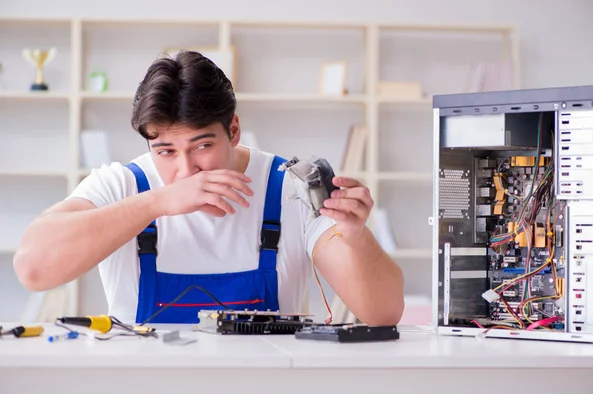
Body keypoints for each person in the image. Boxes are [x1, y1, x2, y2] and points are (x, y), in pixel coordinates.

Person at [13, 51, 405, 326]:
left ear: (233, 130)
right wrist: (158, 202)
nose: (186, 170)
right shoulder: (123, 184)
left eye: (202, 146)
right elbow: (32, 268)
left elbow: (383, 313)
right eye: (165, 151)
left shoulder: (290, 188)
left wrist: (356, 238)